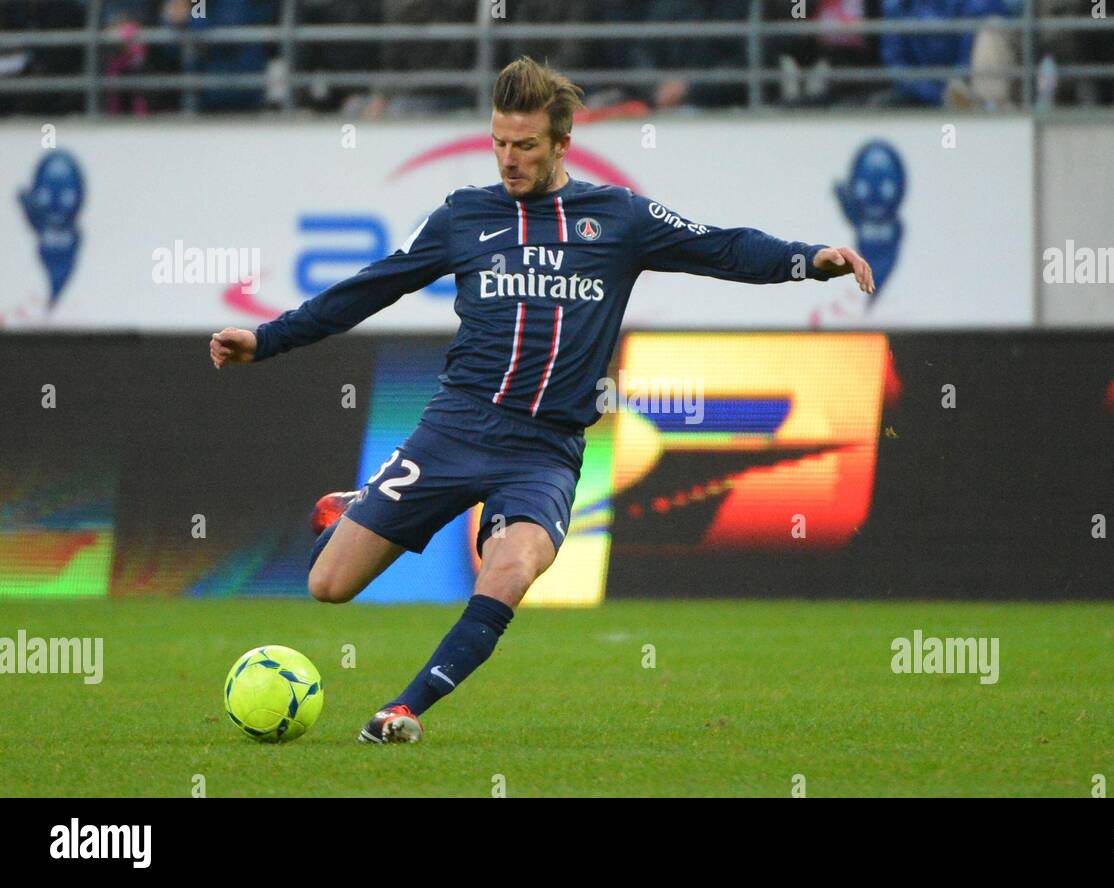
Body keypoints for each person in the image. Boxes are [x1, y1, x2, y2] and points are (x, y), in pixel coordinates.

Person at [208, 56, 874, 744]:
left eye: (525, 145)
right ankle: (361, 507)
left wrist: (808, 259)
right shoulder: (464, 216)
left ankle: (402, 710)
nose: (509, 159)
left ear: (562, 144)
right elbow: (372, 286)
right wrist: (267, 338)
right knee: (329, 586)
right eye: (499, 142)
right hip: (455, 427)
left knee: (514, 566)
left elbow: (722, 247)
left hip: (544, 450)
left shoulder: (616, 217)